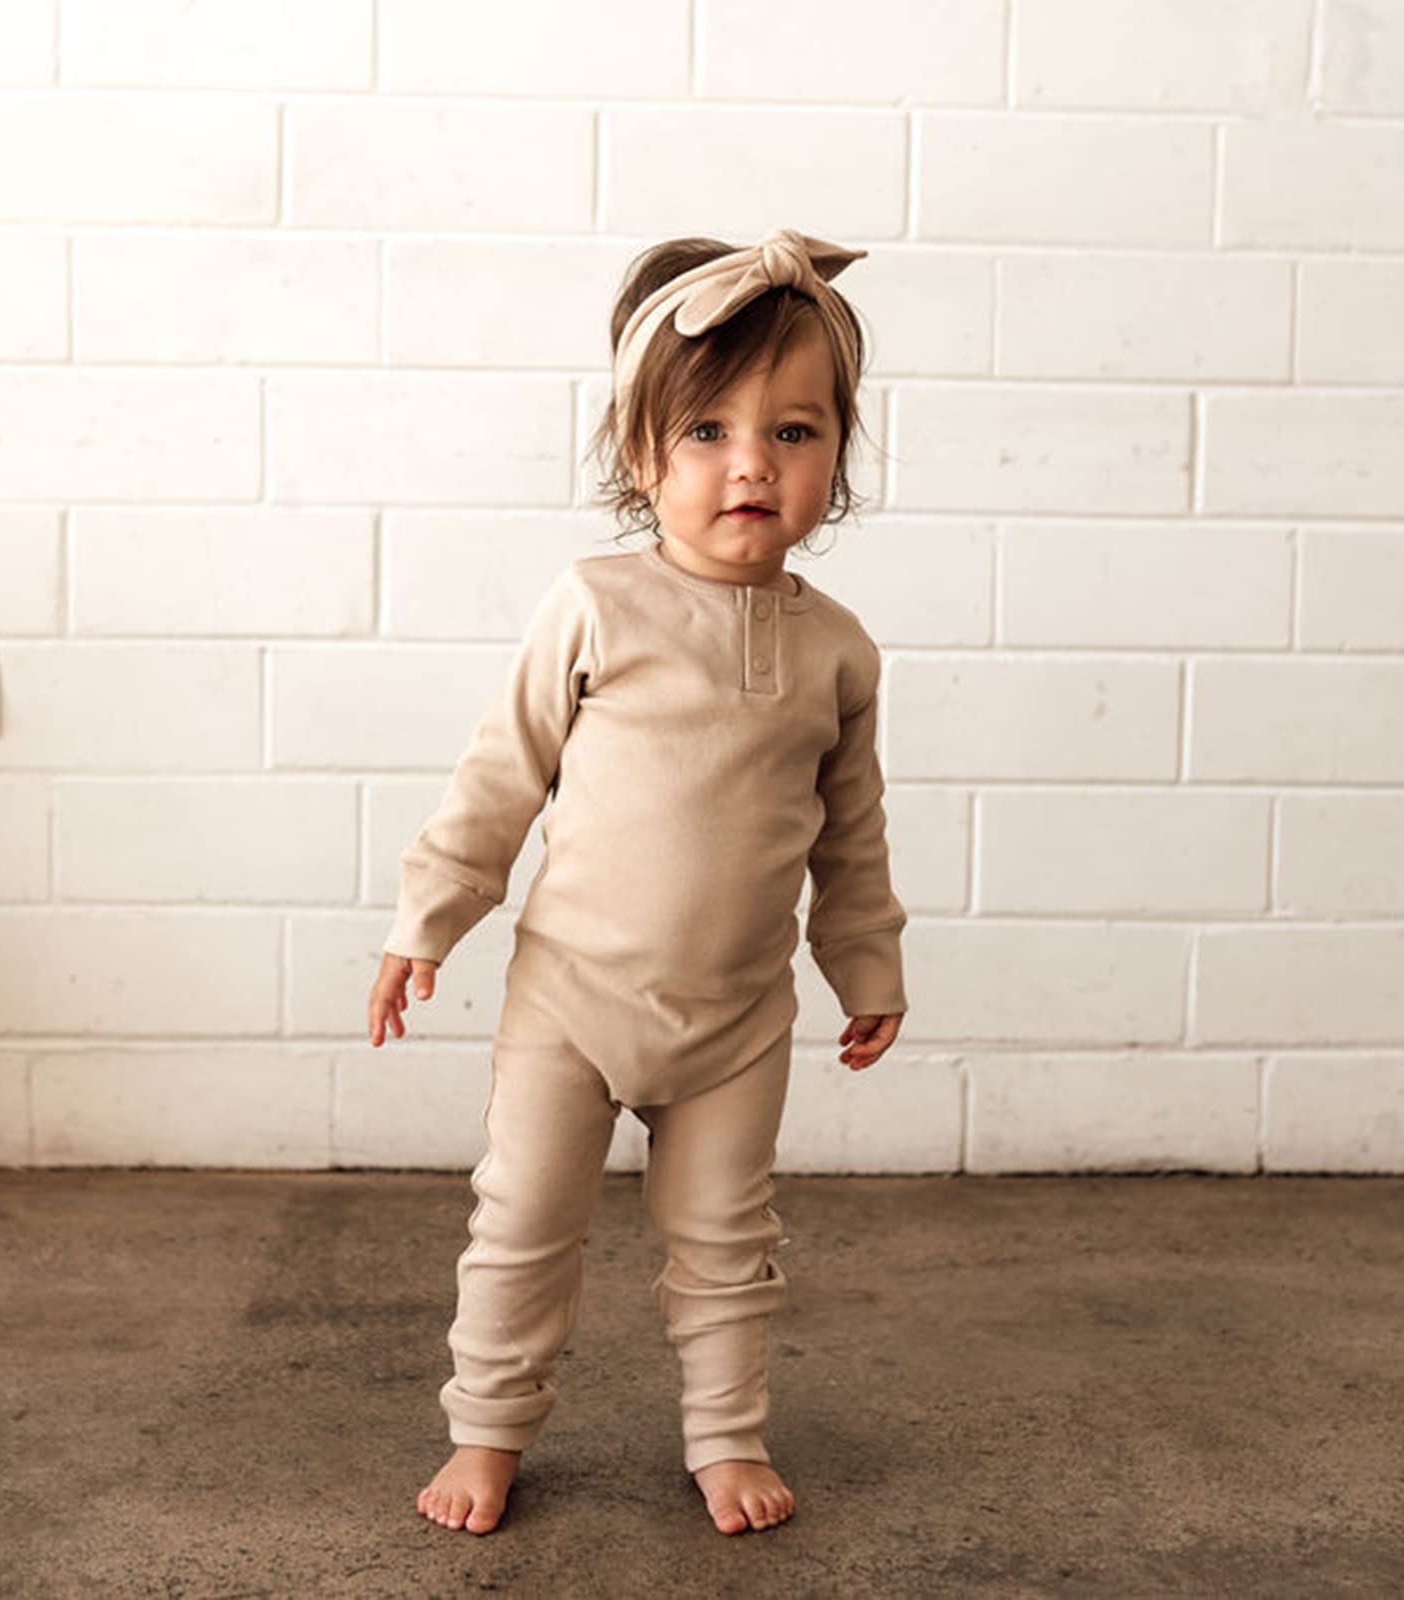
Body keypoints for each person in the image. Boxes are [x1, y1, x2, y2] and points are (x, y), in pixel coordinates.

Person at [367, 226, 909, 1537]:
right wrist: (427, 922)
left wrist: (869, 967)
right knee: (525, 1221)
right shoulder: (597, 606)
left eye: (793, 432)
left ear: (838, 456)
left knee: (728, 1241)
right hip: (574, 1003)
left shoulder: (839, 652)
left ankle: (727, 1438)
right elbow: (501, 776)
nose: (751, 464)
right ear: (640, 454)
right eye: (708, 432)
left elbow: (850, 835)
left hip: (736, 1021)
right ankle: (488, 1431)